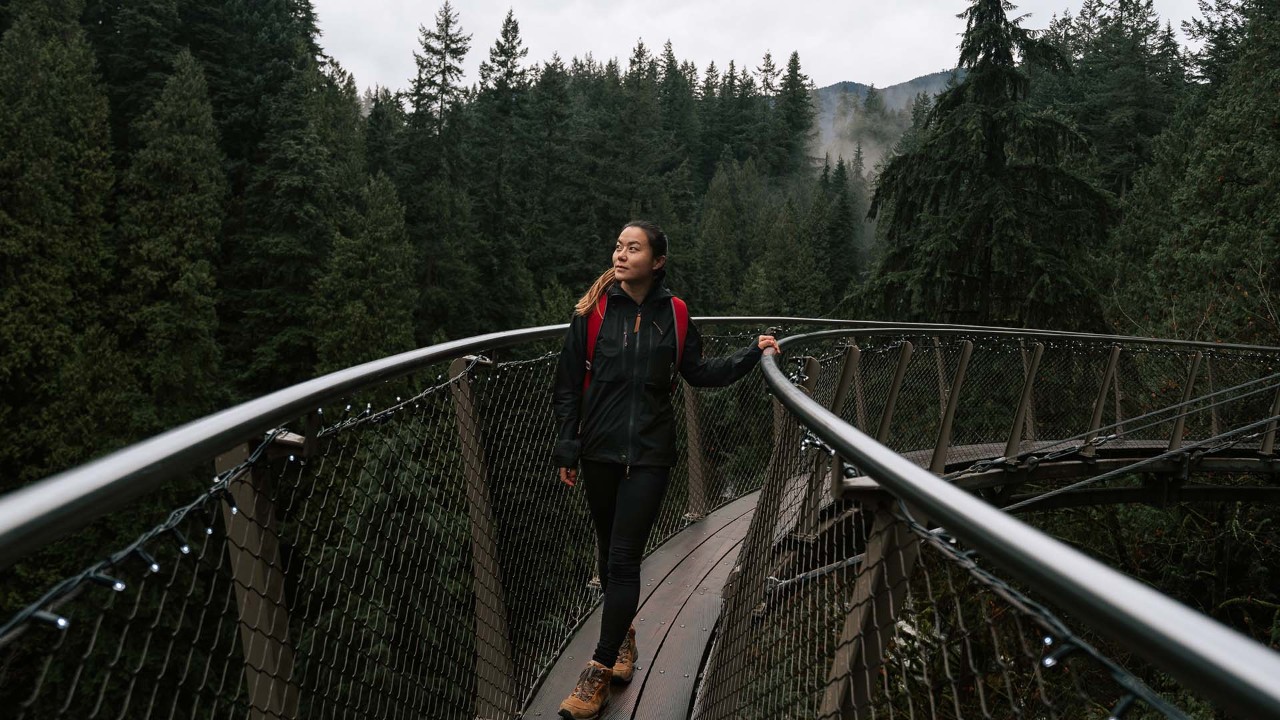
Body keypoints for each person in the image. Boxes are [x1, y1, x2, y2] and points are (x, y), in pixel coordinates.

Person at [551, 220, 779, 719]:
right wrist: (568, 445)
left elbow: (698, 372)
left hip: (651, 455)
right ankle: (624, 637)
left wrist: (752, 354)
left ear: (656, 262)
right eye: (617, 246)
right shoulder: (592, 313)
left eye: (633, 248)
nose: (620, 254)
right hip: (598, 453)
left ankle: (599, 667)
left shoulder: (674, 316)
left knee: (624, 557)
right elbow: (568, 383)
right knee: (608, 548)